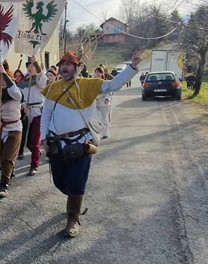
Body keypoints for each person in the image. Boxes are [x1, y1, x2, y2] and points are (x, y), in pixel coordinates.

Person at [41, 50, 141, 237]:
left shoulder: (90, 84)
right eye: (63, 64)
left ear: (78, 67)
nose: (65, 67)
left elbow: (114, 85)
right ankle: (74, 201)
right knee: (59, 182)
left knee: (77, 183)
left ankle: (73, 218)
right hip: (57, 144)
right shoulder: (52, 88)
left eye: (69, 64)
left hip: (80, 143)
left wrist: (132, 67)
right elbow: (46, 114)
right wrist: (43, 137)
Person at [0, 63, 22, 197]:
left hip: (14, 128)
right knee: (1, 156)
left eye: (5, 80)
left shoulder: (16, 94)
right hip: (1, 129)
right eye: (0, 80)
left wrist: (3, 72)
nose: (2, 82)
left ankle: (4, 184)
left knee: (7, 158)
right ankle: (10, 171)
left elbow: (14, 90)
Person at [21, 59, 48, 176]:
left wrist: (36, 64)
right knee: (27, 142)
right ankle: (37, 153)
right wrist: (22, 106)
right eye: (29, 66)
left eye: (32, 66)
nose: (30, 68)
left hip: (38, 112)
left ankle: (34, 164)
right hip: (27, 113)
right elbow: (20, 98)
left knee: (35, 141)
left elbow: (43, 81)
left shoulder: (39, 79)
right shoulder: (24, 82)